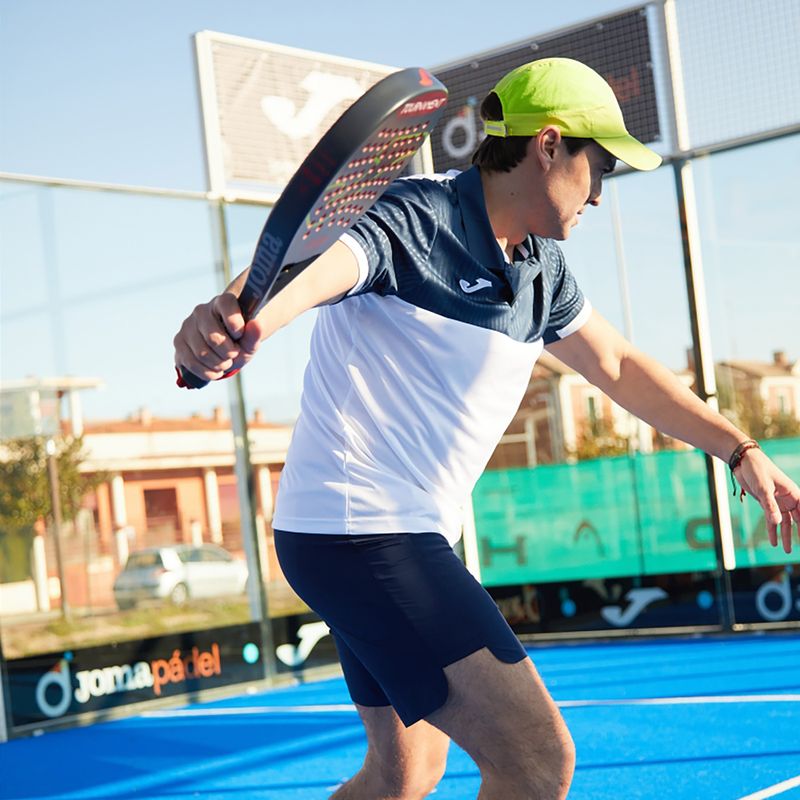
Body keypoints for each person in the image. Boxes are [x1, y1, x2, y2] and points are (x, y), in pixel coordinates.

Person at [174, 58, 800, 800]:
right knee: (538, 762)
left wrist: (740, 448)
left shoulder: (543, 272)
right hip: (361, 533)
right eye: (597, 168)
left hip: (374, 539)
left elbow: (620, 365)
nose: (600, 194)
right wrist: (236, 320)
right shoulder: (415, 217)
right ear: (548, 146)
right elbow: (313, 273)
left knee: (404, 773)